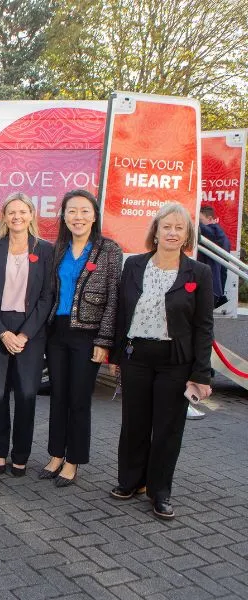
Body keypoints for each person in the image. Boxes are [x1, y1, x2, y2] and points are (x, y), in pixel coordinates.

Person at [109, 202, 213, 520]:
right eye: (165, 226)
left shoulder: (199, 272)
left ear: (187, 236)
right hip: (136, 356)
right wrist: (115, 355)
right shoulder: (134, 265)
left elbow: (204, 326)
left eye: (178, 228)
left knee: (168, 429)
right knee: (134, 424)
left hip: (175, 362)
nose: (171, 232)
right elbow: (121, 313)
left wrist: (201, 373)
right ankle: (131, 481)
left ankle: (160, 491)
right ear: (155, 231)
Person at [43, 190, 122, 487]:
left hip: (88, 336)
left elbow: (114, 299)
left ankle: (73, 460)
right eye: (72, 211)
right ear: (63, 215)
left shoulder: (109, 250)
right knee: (58, 397)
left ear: (94, 215)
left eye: (84, 211)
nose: (78, 217)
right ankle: (54, 455)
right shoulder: (57, 249)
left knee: (78, 399)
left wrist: (104, 342)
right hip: (57, 333)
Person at [0, 192, 54, 476]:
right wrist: (2, 333)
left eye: (22, 212)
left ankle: (20, 454)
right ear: (5, 217)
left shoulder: (45, 251)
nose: (17, 217)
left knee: (25, 396)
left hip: (30, 332)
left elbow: (47, 297)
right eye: (11, 212)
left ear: (31, 215)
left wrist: (23, 335)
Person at [199, 205, 230, 308]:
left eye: (200, 220)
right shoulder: (219, 234)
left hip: (212, 286)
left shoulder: (215, 232)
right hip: (214, 285)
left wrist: (194, 221)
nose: (198, 222)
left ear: (210, 219)